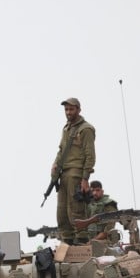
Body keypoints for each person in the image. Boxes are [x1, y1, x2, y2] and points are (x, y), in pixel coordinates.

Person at [50, 97, 96, 244]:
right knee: (62, 213)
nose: (68, 112)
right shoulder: (66, 128)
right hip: (63, 174)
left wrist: (85, 179)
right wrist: (55, 164)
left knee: (75, 211)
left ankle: (81, 242)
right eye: (66, 109)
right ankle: (67, 241)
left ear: (78, 109)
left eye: (71, 109)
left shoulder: (86, 129)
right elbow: (61, 150)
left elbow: (90, 156)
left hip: (76, 173)